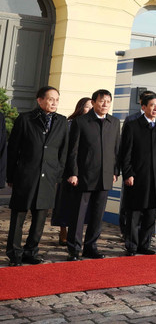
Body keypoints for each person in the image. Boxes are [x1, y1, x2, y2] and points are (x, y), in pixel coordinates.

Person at [5, 86, 69, 266]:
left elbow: (63, 152)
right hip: (25, 177)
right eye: (50, 99)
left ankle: (31, 251)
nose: (54, 103)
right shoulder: (25, 119)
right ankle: (14, 253)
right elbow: (13, 150)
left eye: (57, 99)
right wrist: (11, 176)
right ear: (39, 100)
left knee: (40, 218)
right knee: (18, 217)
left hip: (48, 177)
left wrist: (57, 175)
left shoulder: (62, 122)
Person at [65, 89, 121, 261]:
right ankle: (74, 249)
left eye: (108, 101)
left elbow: (116, 149)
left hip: (105, 176)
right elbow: (72, 151)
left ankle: (91, 247)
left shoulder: (115, 122)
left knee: (98, 215)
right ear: (94, 102)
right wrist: (73, 173)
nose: (105, 104)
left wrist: (115, 171)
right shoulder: (81, 122)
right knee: (78, 214)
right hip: (83, 176)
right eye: (102, 101)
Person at [119, 93, 156, 256]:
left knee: (151, 214)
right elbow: (125, 153)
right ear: (143, 107)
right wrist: (128, 173)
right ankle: (132, 246)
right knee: (134, 214)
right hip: (137, 177)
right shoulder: (133, 126)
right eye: (152, 105)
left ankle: (145, 244)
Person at [51, 97, 92, 246]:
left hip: (85, 170)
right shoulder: (69, 123)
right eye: (87, 107)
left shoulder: (92, 124)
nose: (90, 109)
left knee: (80, 205)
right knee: (65, 201)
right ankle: (63, 229)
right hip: (68, 169)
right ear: (80, 108)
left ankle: (76, 232)